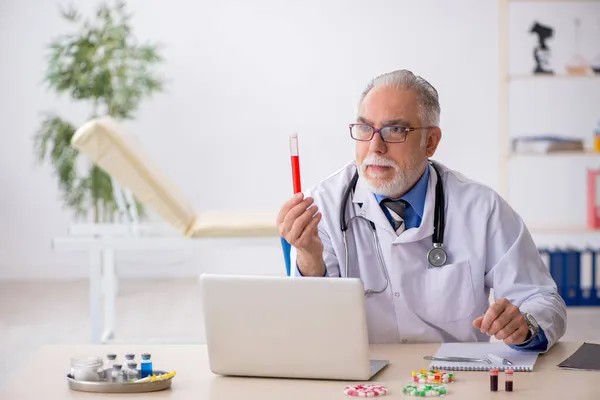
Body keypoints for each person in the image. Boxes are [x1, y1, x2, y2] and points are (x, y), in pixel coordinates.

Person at [276, 69, 566, 352]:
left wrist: (525, 324)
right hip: (361, 379)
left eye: (395, 130)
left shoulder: (481, 208)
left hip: (454, 381)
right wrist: (309, 258)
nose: (375, 146)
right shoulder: (322, 205)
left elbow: (541, 298)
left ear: (431, 142)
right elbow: (309, 327)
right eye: (365, 128)